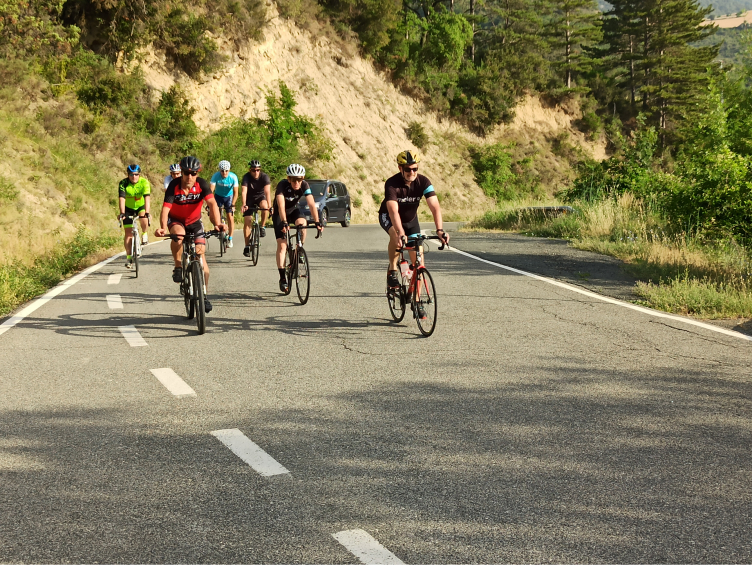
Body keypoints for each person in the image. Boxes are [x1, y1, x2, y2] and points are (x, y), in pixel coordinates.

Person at [378, 150, 449, 317]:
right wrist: (401, 233)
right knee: (396, 236)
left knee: (419, 261)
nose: (412, 173)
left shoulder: (423, 182)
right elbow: (393, 211)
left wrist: (440, 230)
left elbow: (435, 207)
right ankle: (393, 270)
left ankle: (417, 302)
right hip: (389, 216)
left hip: (411, 221)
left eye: (415, 169)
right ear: (400, 168)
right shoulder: (391, 184)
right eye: (408, 169)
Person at [154, 156, 226, 314]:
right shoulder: (174, 185)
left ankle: (204, 295)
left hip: (194, 222)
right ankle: (178, 266)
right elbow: (165, 209)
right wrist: (161, 227)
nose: (190, 177)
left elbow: (212, 204)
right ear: (182, 172)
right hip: (177, 221)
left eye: (193, 173)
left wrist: (217, 224)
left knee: (201, 256)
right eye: (186, 173)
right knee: (178, 236)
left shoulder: (202, 184)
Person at [273, 163, 323, 292]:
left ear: (303, 179)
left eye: (299, 179)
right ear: (288, 179)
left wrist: (317, 222)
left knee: (303, 223)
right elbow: (281, 205)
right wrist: (284, 222)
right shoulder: (282, 185)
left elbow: (311, 204)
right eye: (294, 180)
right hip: (280, 213)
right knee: (282, 245)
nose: (296, 182)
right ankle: (283, 278)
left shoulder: (304, 185)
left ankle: (299, 248)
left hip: (293, 210)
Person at [118, 164, 151, 268]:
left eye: (136, 174)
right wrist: (122, 213)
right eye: (131, 174)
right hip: (128, 209)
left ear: (139, 174)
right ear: (128, 175)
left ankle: (144, 233)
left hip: (140, 206)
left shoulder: (144, 182)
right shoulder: (123, 183)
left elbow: (147, 198)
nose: (134, 177)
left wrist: (147, 212)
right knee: (128, 234)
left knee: (143, 217)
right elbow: (122, 199)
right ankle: (128, 258)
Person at [241, 159, 271, 257]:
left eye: (258, 170)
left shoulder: (264, 177)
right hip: (249, 198)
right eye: (253, 170)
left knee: (264, 206)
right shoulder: (246, 177)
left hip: (260, 197)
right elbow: (244, 192)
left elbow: (267, 192)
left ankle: (262, 226)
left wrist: (270, 206)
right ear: (250, 170)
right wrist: (244, 204)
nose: (256, 172)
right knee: (247, 220)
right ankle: (246, 246)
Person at [210, 160, 239, 248]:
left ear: (229, 170)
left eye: (226, 170)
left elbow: (236, 192)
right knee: (212, 215)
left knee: (230, 216)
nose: (224, 173)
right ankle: (218, 227)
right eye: (222, 171)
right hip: (218, 196)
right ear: (219, 170)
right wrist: (209, 203)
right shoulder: (216, 176)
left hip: (229, 197)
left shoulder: (233, 177)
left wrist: (233, 204)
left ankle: (230, 238)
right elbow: (210, 191)